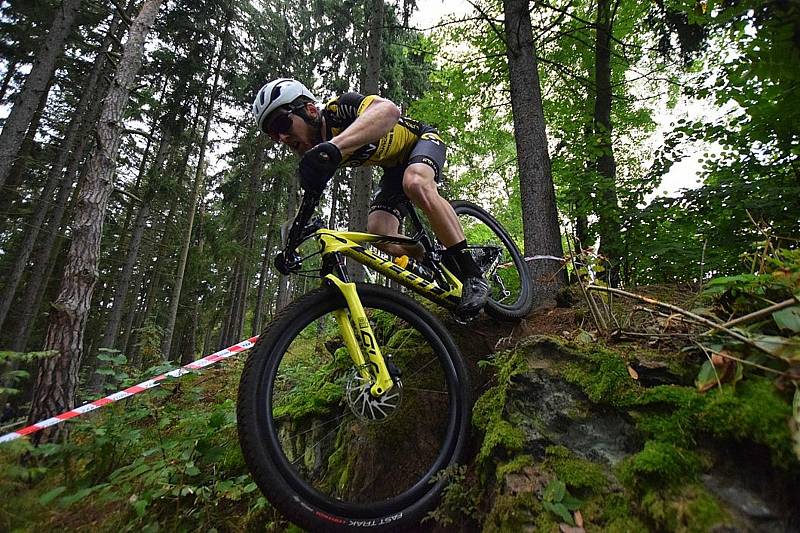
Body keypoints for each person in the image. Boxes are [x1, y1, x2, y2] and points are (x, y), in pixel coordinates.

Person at [252, 78, 489, 317]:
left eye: (283, 124)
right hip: (393, 170)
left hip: (422, 141)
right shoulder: (317, 153)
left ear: (311, 110)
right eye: (273, 134)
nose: (282, 138)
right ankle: (436, 260)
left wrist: (335, 146)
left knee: (416, 182)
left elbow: (388, 111)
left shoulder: (338, 110)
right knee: (379, 233)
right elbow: (311, 199)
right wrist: (291, 246)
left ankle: (472, 274)